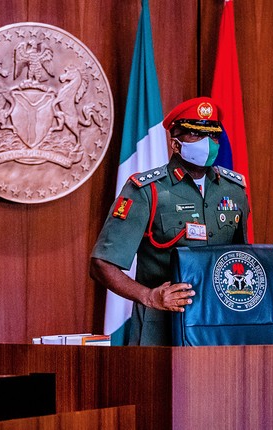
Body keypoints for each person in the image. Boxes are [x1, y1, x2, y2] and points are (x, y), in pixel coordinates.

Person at [91, 97, 250, 346]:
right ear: (175, 142)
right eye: (196, 135)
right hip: (162, 326)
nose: (207, 144)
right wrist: (149, 296)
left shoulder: (234, 190)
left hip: (219, 324)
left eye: (212, 135)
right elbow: (102, 264)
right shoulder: (147, 191)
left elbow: (241, 259)